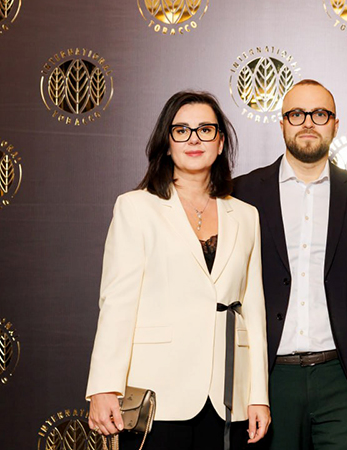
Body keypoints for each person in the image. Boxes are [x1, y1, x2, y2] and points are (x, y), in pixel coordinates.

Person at [86, 91, 270, 450]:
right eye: (182, 130)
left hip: (227, 396)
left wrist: (258, 395)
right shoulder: (136, 208)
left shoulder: (246, 216)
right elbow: (117, 304)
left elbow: (254, 311)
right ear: (167, 143)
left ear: (220, 143)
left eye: (205, 130)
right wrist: (104, 386)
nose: (194, 139)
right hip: (159, 393)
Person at [232, 79, 347, 450]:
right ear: (282, 123)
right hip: (267, 379)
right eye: (296, 114)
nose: (307, 123)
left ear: (335, 124)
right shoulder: (242, 192)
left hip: (341, 377)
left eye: (319, 114)